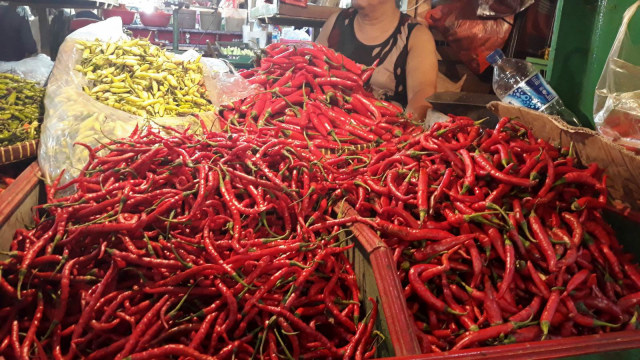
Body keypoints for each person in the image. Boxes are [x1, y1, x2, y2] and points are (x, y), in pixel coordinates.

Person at [316, 0, 437, 120]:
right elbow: (308, 72)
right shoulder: (337, 21)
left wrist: (404, 128)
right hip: (325, 129)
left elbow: (422, 96)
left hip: (383, 133)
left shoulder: (415, 35)